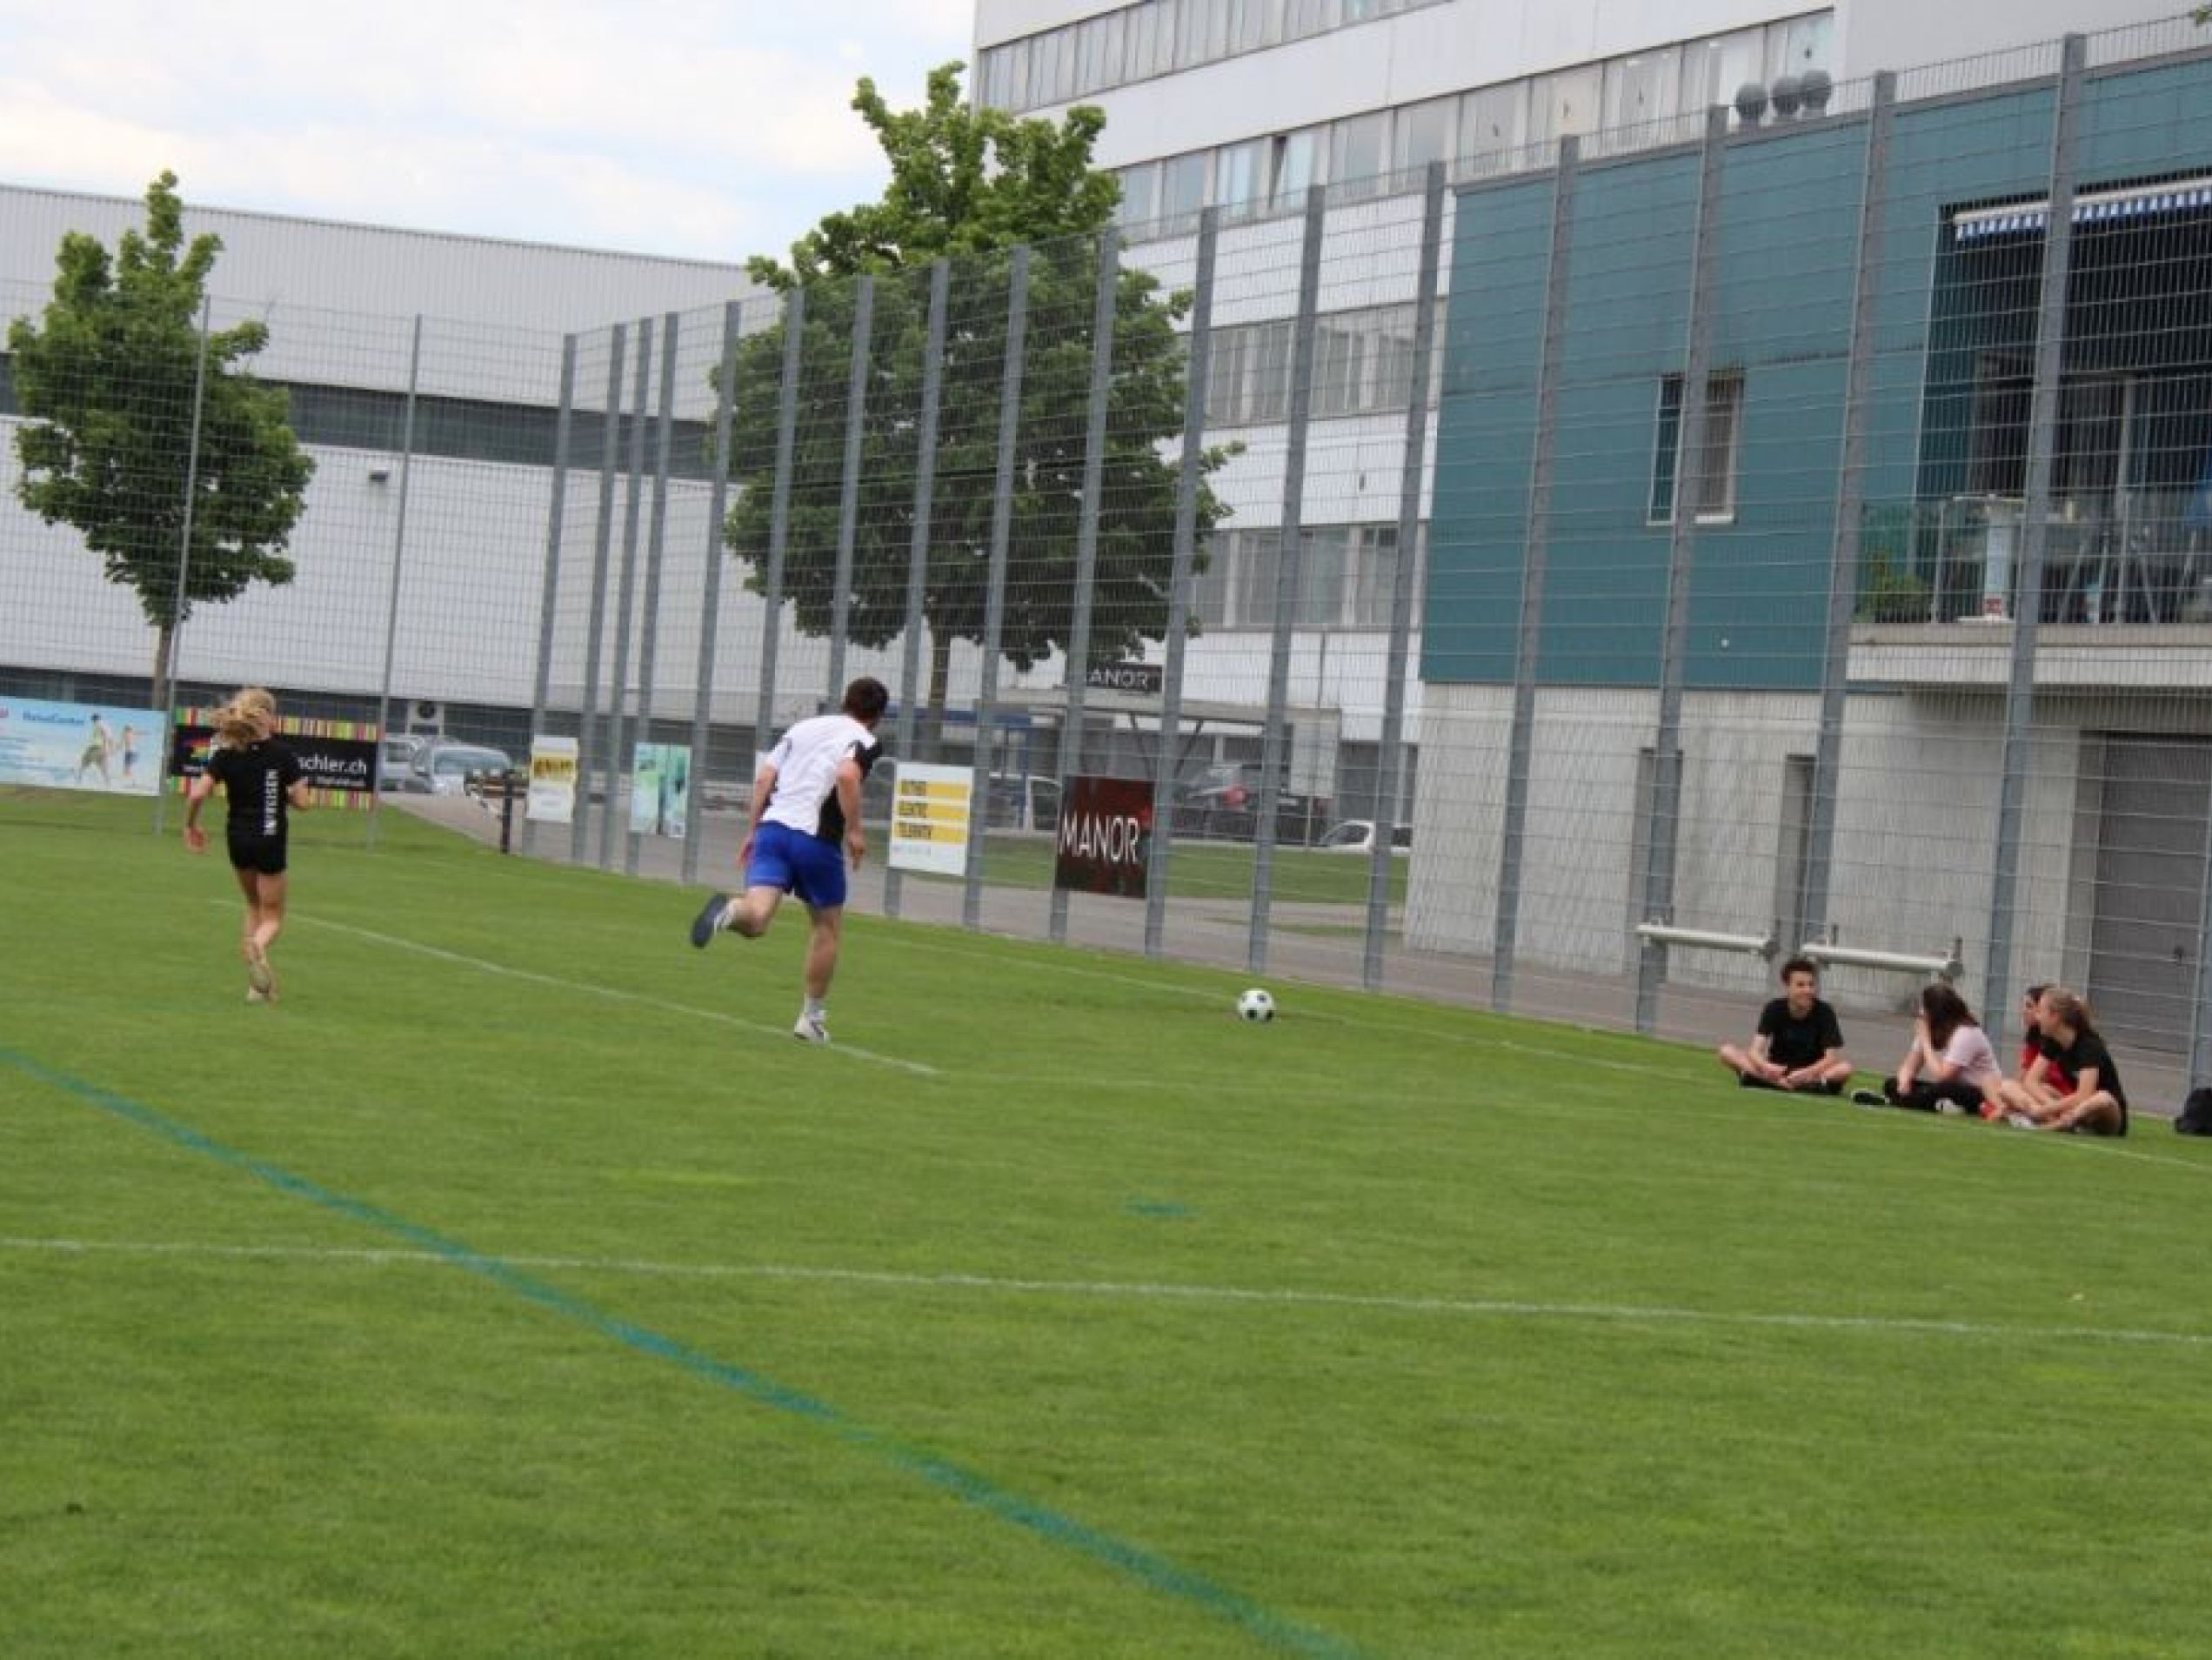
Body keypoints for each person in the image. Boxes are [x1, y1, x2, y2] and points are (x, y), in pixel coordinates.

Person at [688, 677, 889, 1044]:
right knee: (826, 927)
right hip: (815, 839)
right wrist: (855, 831)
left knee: (756, 918)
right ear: (877, 717)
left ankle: (730, 911)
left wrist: (752, 830)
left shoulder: (802, 727)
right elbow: (847, 775)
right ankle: (810, 1020)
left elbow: (765, 778)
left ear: (845, 701)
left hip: (773, 830)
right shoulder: (865, 739)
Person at [184, 687, 311, 1003]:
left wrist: (191, 825)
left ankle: (257, 988)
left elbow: (197, 794)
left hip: (238, 840)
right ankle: (259, 946)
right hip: (270, 838)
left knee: (253, 905)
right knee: (273, 917)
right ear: (268, 717)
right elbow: (303, 803)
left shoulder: (226, 754)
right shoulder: (283, 755)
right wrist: (286, 794)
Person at [1996, 986, 2128, 1135]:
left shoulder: (2089, 1045)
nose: (2037, 1017)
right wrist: (2046, 1106)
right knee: (2007, 1087)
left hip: (2104, 1113)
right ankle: (2056, 1121)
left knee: (2102, 1097)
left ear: (2055, 1016)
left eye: (2040, 1011)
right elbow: (2031, 1081)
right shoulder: (2053, 1042)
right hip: (2074, 1108)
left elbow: (2084, 1096)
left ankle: (2049, 1125)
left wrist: (2044, 1110)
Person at [1853, 982, 1998, 1114]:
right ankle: (1943, 1106)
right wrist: (1904, 1081)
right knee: (1892, 1083)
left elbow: (1943, 1076)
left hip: (1979, 1092)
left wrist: (1926, 1041)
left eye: (1925, 1007)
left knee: (1943, 1089)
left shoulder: (1966, 1033)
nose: (1921, 1012)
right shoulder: (1930, 1029)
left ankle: (1891, 1101)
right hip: (1947, 1089)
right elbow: (1909, 1066)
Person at [1718, 955, 1853, 1094]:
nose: (1808, 990)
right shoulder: (1774, 1008)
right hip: (1777, 1070)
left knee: (1845, 1069)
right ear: (1787, 986)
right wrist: (1766, 1066)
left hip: (1810, 1072)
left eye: (1811, 985)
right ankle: (1782, 1082)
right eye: (1800, 985)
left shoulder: (1825, 1011)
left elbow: (1831, 1058)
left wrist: (1807, 1072)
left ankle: (1768, 1081)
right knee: (1726, 1051)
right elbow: (1755, 1050)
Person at [1980, 982, 2075, 1121]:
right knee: (1989, 1080)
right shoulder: (2033, 1037)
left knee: (2011, 1089)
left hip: (2056, 1094)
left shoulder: (2055, 1039)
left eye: (2030, 1006)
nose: (2024, 1011)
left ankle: (2030, 1115)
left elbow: (2043, 1080)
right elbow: (2022, 1077)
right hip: (2034, 1092)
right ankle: (2009, 1111)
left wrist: (2014, 1092)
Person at [77, 713, 115, 786]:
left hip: (96, 748)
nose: (93, 722)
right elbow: (110, 738)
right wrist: (111, 748)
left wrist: (105, 746)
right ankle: (108, 782)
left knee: (84, 761)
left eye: (92, 720)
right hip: (101, 749)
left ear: (94, 720)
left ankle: (78, 779)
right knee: (103, 767)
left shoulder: (98, 724)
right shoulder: (106, 726)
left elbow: (105, 734)